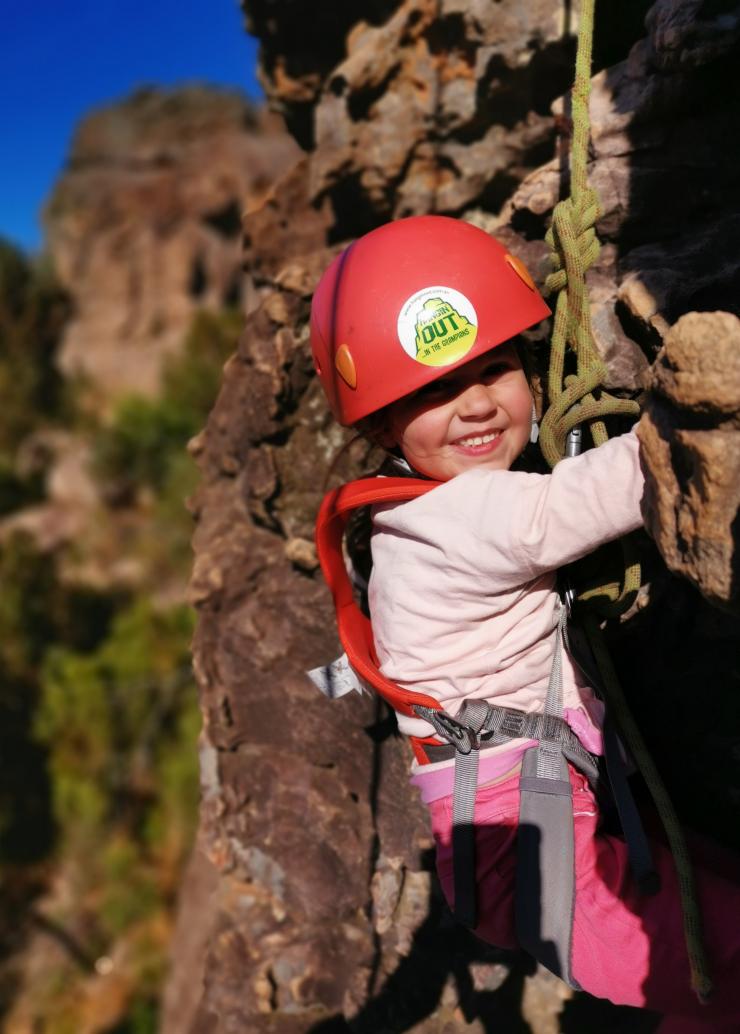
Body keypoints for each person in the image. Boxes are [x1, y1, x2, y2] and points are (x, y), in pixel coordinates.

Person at [310, 215, 740, 1032]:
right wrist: (697, 409)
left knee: (704, 944)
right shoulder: (465, 514)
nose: (474, 404)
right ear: (377, 428)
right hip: (533, 852)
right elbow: (592, 495)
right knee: (714, 960)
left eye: (495, 370)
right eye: (433, 391)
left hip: (523, 840)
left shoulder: (402, 519)